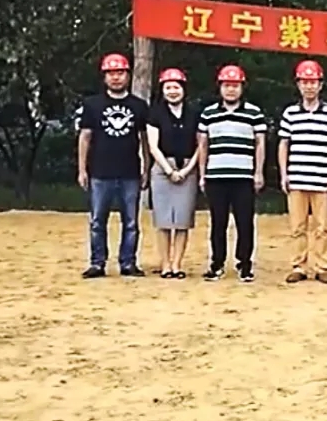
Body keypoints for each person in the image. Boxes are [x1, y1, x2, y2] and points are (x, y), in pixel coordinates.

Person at [77, 53, 150, 279]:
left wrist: (146, 168)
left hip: (130, 171)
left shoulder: (139, 106)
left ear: (128, 75)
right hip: (100, 171)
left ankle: (128, 262)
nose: (116, 78)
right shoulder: (92, 104)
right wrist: (82, 169)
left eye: (120, 73)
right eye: (111, 73)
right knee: (97, 221)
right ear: (104, 77)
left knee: (131, 222)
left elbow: (145, 140)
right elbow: (85, 137)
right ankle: (97, 263)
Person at [197, 64, 267, 283]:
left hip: (244, 176)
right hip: (216, 175)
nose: (231, 90)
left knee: (245, 222)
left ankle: (244, 265)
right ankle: (217, 263)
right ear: (220, 87)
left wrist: (258, 172)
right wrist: (202, 174)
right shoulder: (209, 113)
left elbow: (260, 143)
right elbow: (203, 145)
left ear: (242, 88)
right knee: (218, 222)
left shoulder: (253, 113)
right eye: (227, 85)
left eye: (235, 85)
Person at [278, 60, 327, 284]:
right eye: (304, 82)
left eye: (313, 82)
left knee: (323, 227)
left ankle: (321, 266)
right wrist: (284, 174)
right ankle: (299, 266)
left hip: (321, 178)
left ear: (320, 85)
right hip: (297, 177)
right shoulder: (290, 113)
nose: (309, 86)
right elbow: (284, 144)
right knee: (297, 226)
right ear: (298, 85)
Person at [145, 68, 200, 280]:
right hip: (162, 168)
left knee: (183, 220)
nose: (172, 91)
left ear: (184, 89)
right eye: (168, 87)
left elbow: (201, 144)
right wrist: (169, 170)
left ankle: (177, 264)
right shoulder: (155, 113)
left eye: (176, 87)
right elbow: (153, 146)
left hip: (188, 168)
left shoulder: (194, 113)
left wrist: (187, 170)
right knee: (163, 220)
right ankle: (165, 264)